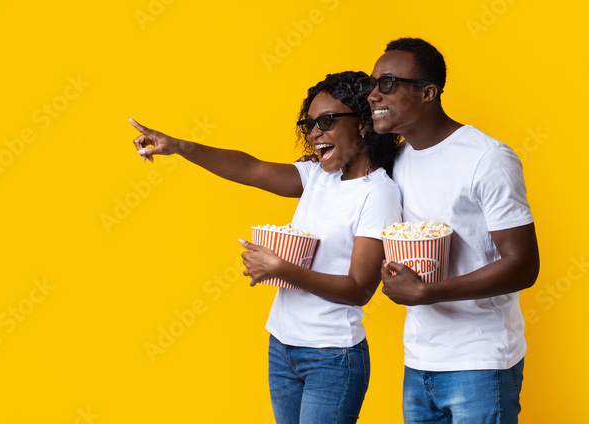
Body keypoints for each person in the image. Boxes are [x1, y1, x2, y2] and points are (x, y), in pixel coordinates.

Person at [130, 71, 401, 424]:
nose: (315, 132)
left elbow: (359, 289)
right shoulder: (318, 176)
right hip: (282, 346)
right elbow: (251, 168)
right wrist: (181, 147)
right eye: (310, 124)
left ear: (363, 124)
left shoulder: (378, 193)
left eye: (327, 121)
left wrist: (280, 268)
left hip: (332, 357)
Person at [363, 38, 539, 423]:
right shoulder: (397, 158)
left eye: (387, 83)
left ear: (428, 92)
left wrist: (427, 292)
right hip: (419, 360)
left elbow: (523, 265)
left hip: (480, 362)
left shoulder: (486, 158)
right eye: (372, 83)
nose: (374, 94)